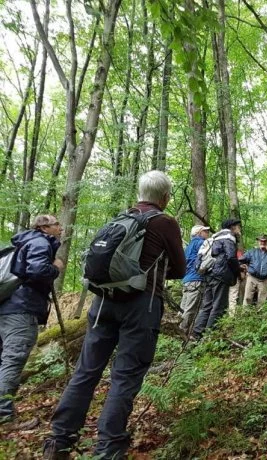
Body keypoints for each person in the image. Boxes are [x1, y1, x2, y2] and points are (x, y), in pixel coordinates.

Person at [44, 171, 185, 459]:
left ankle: (59, 441)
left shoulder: (122, 217)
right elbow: (180, 270)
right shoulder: (165, 222)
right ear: (165, 197)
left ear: (140, 192)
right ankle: (109, 448)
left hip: (103, 302)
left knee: (86, 371)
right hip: (141, 305)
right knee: (125, 375)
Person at [0, 215, 63, 423]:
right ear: (44, 227)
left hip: (6, 307)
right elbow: (37, 270)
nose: (60, 228)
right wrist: (56, 267)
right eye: (56, 224)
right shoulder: (39, 242)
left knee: (4, 359)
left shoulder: (24, 242)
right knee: (12, 359)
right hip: (21, 310)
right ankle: (4, 415)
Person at [191, 219, 241, 339]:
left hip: (209, 274)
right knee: (219, 305)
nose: (239, 229)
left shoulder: (214, 238)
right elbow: (230, 258)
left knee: (207, 305)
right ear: (232, 227)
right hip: (221, 275)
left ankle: (196, 334)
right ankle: (210, 336)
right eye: (238, 226)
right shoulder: (229, 238)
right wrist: (238, 272)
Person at [178, 225, 210, 334]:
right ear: (198, 233)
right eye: (205, 231)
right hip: (196, 279)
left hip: (187, 280)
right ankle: (181, 333)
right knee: (190, 309)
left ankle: (175, 329)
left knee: (183, 307)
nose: (207, 233)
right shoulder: (201, 243)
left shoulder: (189, 246)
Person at [240, 234, 267, 306]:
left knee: (262, 300)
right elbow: (241, 259)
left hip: (264, 280)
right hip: (252, 277)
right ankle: (245, 314)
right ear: (258, 242)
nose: (263, 243)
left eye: (264, 241)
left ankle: (260, 315)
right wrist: (243, 268)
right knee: (247, 298)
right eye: (261, 241)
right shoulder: (252, 252)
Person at [228, 246, 246, 317]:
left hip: (224, 276)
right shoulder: (237, 253)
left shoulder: (238, 252)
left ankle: (230, 315)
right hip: (233, 277)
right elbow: (239, 265)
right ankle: (231, 316)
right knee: (233, 296)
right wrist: (241, 271)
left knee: (232, 296)